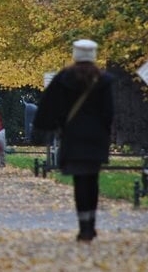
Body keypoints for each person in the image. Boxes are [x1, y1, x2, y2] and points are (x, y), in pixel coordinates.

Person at [33, 39, 115, 242]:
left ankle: (83, 226)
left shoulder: (64, 78)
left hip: (73, 135)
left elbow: (49, 104)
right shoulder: (103, 80)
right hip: (95, 137)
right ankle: (91, 224)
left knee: (80, 180)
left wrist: (51, 127)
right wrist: (104, 131)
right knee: (92, 179)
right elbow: (109, 112)